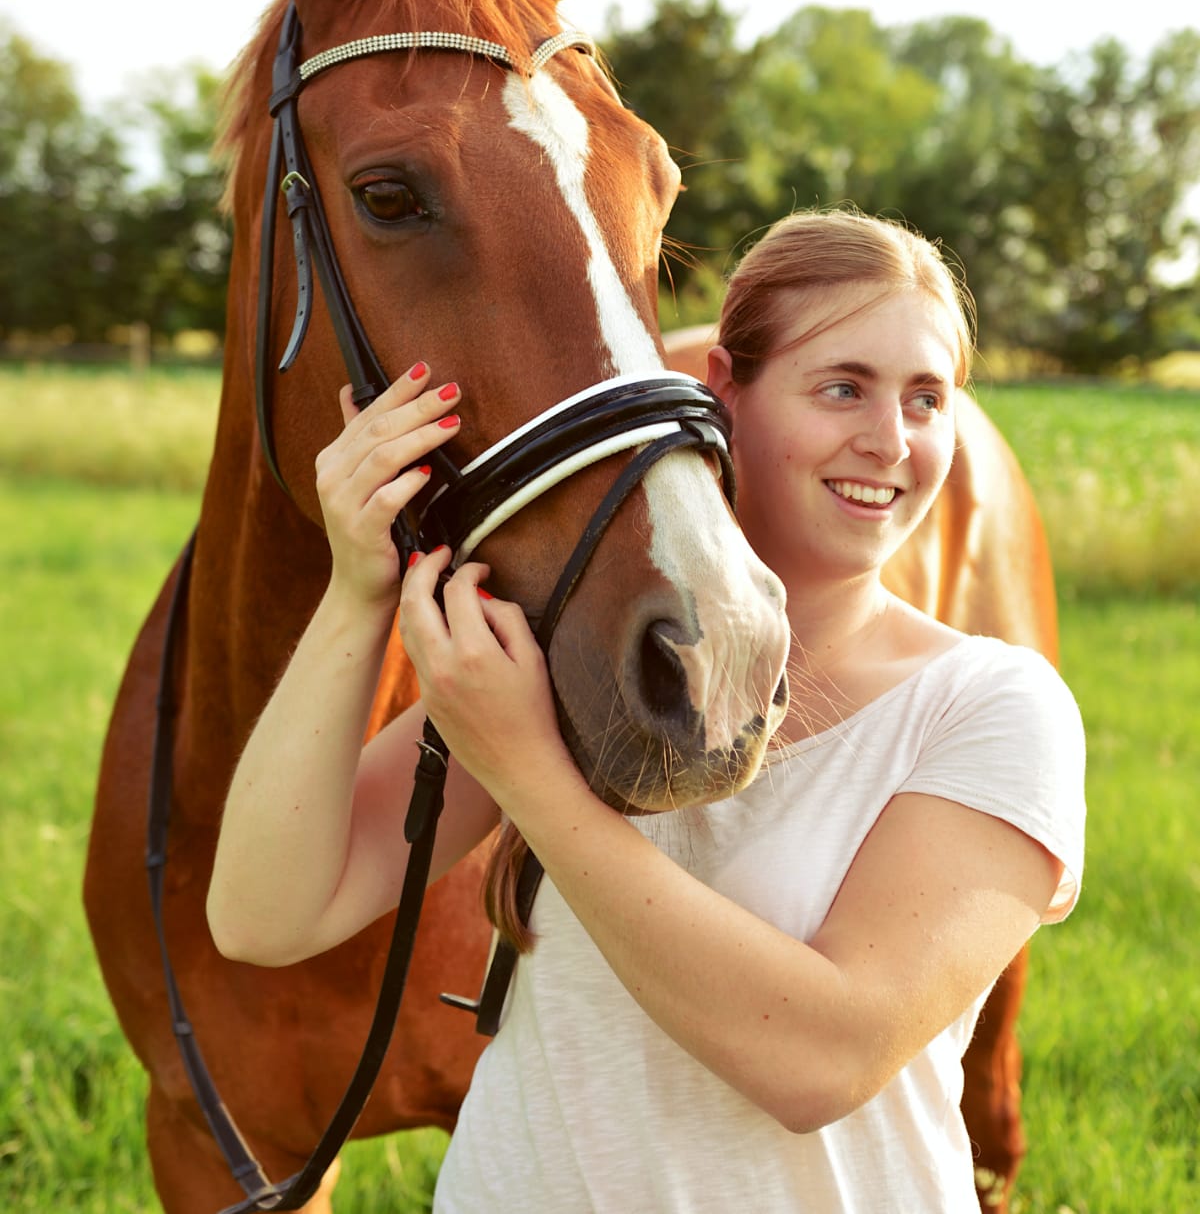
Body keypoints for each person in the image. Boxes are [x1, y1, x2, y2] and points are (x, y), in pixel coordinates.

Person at [208, 207, 1086, 1213]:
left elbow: (822, 1061)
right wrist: (356, 591)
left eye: (927, 399)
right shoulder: (571, 656)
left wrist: (530, 776)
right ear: (724, 390)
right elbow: (263, 914)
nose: (890, 441)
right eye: (843, 387)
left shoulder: (995, 709)